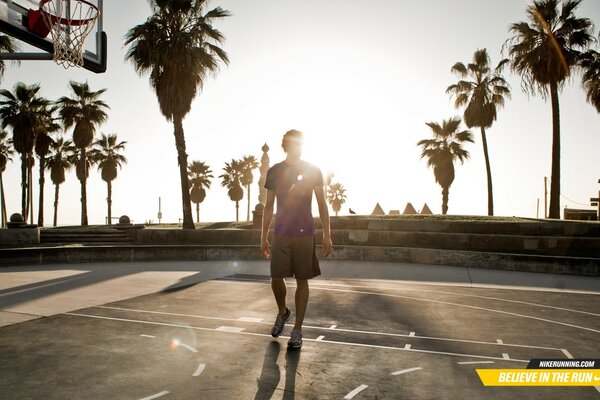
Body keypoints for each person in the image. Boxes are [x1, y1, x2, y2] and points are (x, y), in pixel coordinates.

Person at [261, 129, 333, 349]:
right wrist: (263, 237)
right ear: (285, 145)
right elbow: (268, 206)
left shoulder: (313, 170)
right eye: (293, 143)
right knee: (275, 278)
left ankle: (298, 330)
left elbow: (322, 203)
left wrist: (327, 234)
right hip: (281, 233)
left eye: (300, 143)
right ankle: (283, 312)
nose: (297, 146)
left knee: (302, 281)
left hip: (305, 233)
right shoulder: (274, 171)